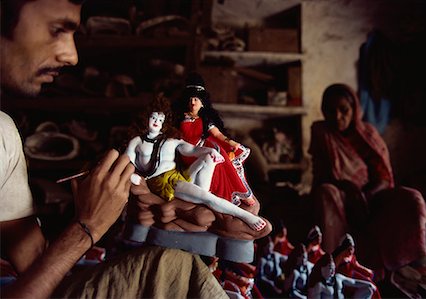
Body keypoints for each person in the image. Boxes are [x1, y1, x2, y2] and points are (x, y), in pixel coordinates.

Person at [0, 1, 228, 298]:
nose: (71, 55)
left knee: (172, 266)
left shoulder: (4, 131)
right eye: (56, 30)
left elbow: (32, 261)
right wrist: (86, 228)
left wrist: (117, 216)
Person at [308, 83, 426, 276]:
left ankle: (403, 263)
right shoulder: (322, 133)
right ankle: (335, 263)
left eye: (343, 110)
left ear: (354, 109)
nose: (337, 116)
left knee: (412, 198)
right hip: (340, 197)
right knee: (326, 193)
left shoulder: (368, 134)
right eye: (330, 111)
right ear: (323, 111)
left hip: (373, 195)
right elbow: (321, 178)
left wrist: (366, 195)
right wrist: (348, 188)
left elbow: (383, 176)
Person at [125, 94, 266, 231]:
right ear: (146, 118)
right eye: (153, 118)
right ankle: (244, 216)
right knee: (207, 198)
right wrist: (134, 176)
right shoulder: (137, 142)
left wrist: (209, 152)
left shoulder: (170, 140)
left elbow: (192, 150)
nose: (156, 121)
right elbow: (126, 162)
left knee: (209, 157)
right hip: (164, 185)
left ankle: (203, 200)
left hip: (181, 177)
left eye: (160, 119)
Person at [174, 72, 256, 206]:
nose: (192, 102)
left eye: (196, 99)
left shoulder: (205, 119)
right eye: (190, 99)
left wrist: (231, 142)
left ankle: (239, 191)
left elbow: (218, 135)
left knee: (219, 154)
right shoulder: (179, 118)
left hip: (203, 147)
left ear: (203, 103)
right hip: (188, 152)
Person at [332, 234, 381, 299]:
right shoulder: (339, 257)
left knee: (370, 284)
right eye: (348, 249)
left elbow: (358, 266)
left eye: (352, 249)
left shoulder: (352, 257)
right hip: (343, 282)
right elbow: (333, 269)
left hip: (351, 279)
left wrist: (368, 272)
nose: (350, 251)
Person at [307, 253, 375, 299]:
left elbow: (354, 282)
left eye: (333, 268)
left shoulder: (338, 278)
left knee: (368, 290)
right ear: (322, 269)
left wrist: (369, 284)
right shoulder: (319, 285)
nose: (332, 271)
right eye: (330, 268)